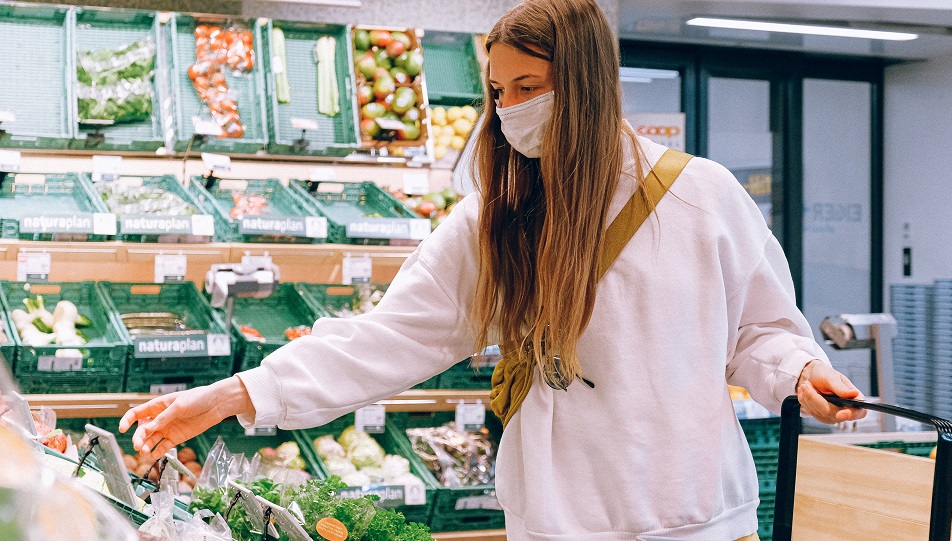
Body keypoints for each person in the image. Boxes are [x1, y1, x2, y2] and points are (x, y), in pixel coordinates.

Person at [120, 0, 867, 539]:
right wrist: (235, 393)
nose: (508, 110)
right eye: (498, 91)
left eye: (527, 88)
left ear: (584, 85)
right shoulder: (495, 219)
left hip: (695, 516)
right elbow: (385, 339)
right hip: (558, 518)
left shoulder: (701, 197)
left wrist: (799, 373)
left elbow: (761, 328)